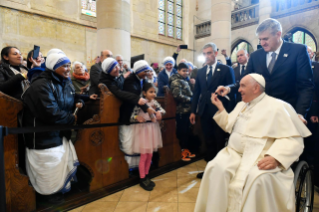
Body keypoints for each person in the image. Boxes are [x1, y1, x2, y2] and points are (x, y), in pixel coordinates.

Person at [194, 74, 310, 212]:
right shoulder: (241, 105)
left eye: (243, 86)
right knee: (215, 168)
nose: (238, 90)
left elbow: (292, 138)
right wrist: (220, 108)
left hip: (262, 157)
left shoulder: (279, 107)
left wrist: (276, 157)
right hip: (234, 154)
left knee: (258, 179)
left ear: (255, 88)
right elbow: (229, 125)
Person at [22, 53, 97, 203]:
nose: (68, 69)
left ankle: (58, 191)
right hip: (44, 138)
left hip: (59, 133)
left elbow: (69, 96)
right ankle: (49, 195)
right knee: (48, 168)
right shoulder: (41, 85)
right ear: (53, 67)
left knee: (58, 165)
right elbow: (50, 112)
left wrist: (82, 100)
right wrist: (71, 118)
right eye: (64, 66)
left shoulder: (64, 81)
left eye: (69, 65)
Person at [216, 18, 314, 124]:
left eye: (265, 39)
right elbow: (246, 81)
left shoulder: (298, 51)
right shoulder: (255, 56)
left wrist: (300, 113)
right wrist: (229, 89)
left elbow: (305, 86)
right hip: (260, 114)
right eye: (260, 39)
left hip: (288, 115)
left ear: (278, 34)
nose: (262, 43)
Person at [190, 42, 236, 179]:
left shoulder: (226, 69)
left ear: (215, 53)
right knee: (208, 141)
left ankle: (221, 171)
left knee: (220, 141)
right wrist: (193, 111)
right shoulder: (201, 71)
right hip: (204, 112)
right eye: (204, 54)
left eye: (209, 53)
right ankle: (210, 170)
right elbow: (196, 92)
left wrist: (229, 113)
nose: (207, 56)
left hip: (220, 111)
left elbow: (232, 90)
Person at [119, 60, 157, 168]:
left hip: (138, 115)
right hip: (128, 114)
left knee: (137, 142)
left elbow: (148, 92)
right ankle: (129, 167)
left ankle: (138, 167)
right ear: (138, 71)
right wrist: (148, 109)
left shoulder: (142, 79)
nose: (146, 73)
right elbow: (135, 97)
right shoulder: (130, 80)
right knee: (129, 142)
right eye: (144, 71)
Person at [130, 83, 166, 191]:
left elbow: (163, 110)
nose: (154, 94)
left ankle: (146, 176)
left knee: (150, 155)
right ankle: (142, 178)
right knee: (144, 156)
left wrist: (159, 111)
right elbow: (131, 116)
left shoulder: (154, 102)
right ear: (144, 93)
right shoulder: (141, 103)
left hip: (152, 129)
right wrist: (137, 117)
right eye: (151, 92)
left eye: (154, 91)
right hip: (143, 130)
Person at [169, 62, 196, 161]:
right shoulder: (176, 81)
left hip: (188, 110)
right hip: (181, 110)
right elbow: (177, 96)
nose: (186, 73)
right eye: (183, 71)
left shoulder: (185, 80)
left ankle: (186, 150)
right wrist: (191, 100)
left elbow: (190, 92)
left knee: (187, 131)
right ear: (178, 71)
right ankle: (181, 152)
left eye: (187, 71)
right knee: (182, 132)